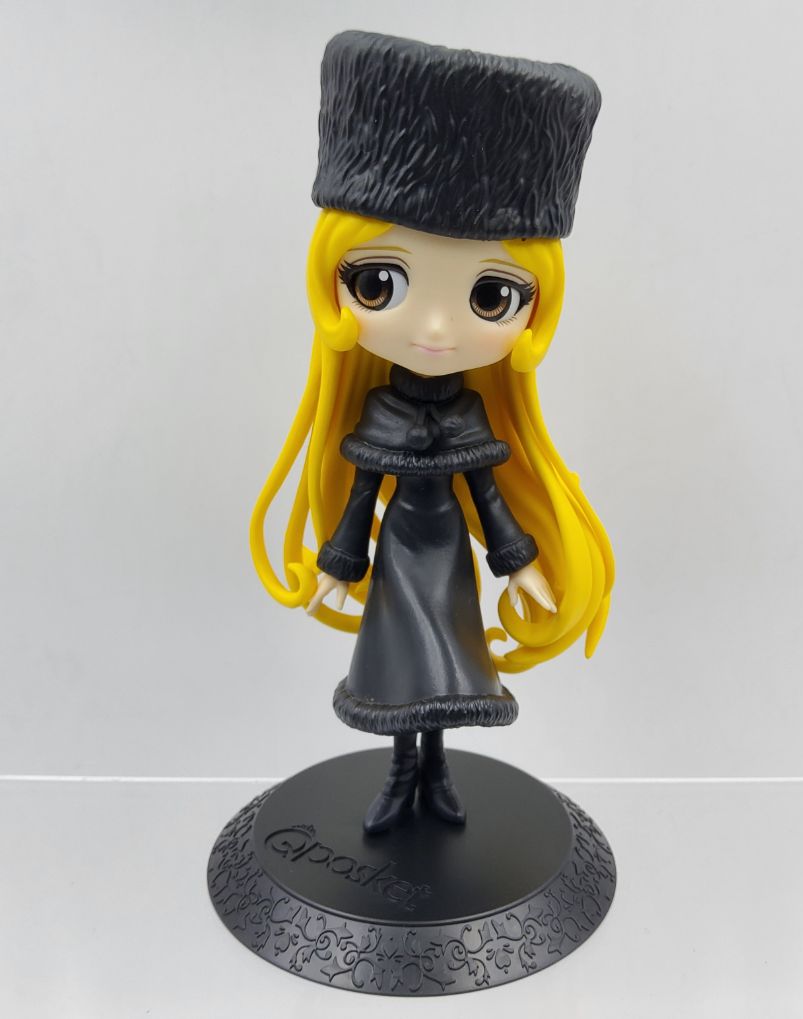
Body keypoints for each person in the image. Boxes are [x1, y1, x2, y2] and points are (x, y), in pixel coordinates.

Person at [249, 31, 614, 834]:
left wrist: (517, 562)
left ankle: (436, 767)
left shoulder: (471, 415)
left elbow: (488, 492)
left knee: (447, 666)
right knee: (396, 670)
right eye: (381, 282)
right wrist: (339, 563)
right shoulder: (378, 412)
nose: (438, 329)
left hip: (446, 555)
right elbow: (361, 493)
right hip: (396, 559)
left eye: (490, 296)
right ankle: (400, 769)